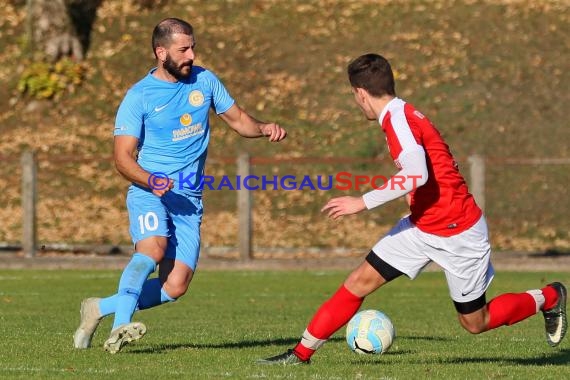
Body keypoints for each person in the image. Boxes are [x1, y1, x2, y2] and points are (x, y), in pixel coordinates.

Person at [257, 53, 567, 365]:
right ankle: (300, 354)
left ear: (360, 93)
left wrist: (361, 202)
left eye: (353, 95)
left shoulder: (399, 121)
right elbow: (432, 168)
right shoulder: (402, 114)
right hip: (422, 226)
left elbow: (416, 173)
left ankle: (550, 297)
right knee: (357, 282)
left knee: (476, 322)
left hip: (458, 231)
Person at [73, 17, 287, 354]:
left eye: (193, 48)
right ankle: (119, 328)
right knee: (152, 250)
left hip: (189, 199)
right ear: (161, 52)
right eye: (183, 49)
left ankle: (99, 308)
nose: (191, 55)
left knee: (175, 285)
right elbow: (122, 158)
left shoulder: (205, 81)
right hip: (149, 191)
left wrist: (264, 128)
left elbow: (238, 119)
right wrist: (151, 179)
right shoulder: (138, 97)